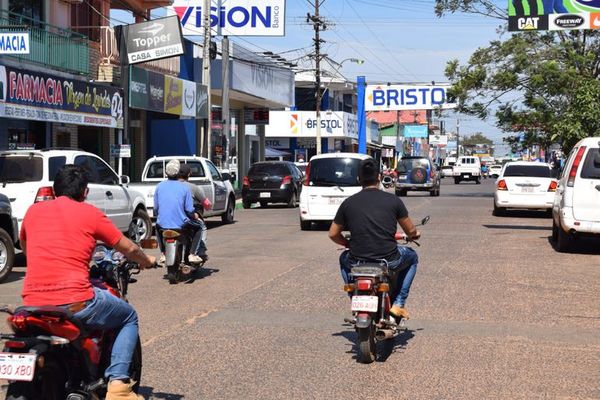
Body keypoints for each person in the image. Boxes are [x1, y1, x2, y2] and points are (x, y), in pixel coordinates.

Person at [19, 165, 156, 400]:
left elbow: (25, 246)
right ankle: (118, 387)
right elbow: (130, 247)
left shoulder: (33, 211)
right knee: (128, 316)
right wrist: (147, 260)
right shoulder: (89, 213)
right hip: (75, 300)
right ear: (84, 192)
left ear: (54, 190)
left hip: (32, 303)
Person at [328, 159, 420, 320]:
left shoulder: (348, 203)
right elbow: (410, 230)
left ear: (358, 179)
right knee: (412, 257)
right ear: (379, 177)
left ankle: (354, 295)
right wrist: (414, 235)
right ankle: (398, 303)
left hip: (357, 260)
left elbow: (333, 234)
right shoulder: (394, 201)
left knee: (343, 258)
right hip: (389, 259)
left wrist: (347, 243)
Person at [154, 159, 207, 265]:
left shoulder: (159, 186)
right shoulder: (184, 188)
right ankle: (192, 254)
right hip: (182, 224)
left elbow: (156, 208)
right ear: (178, 172)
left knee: (157, 228)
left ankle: (163, 253)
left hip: (162, 224)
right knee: (199, 228)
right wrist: (195, 215)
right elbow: (189, 209)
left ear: (165, 172)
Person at [178, 163, 209, 261]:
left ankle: (163, 254)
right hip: (186, 217)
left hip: (169, 219)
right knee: (201, 226)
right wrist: (209, 206)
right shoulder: (192, 187)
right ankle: (200, 251)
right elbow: (206, 203)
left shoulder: (168, 186)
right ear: (189, 174)